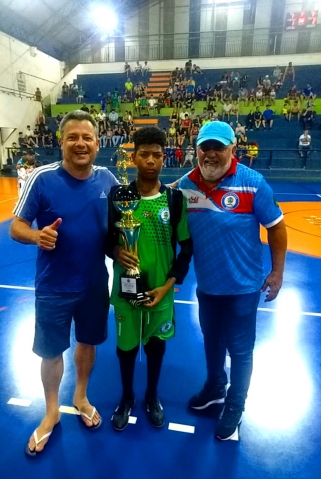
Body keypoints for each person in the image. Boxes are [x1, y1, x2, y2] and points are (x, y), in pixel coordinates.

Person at [10, 110, 119, 457]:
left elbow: (121, 228)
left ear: (98, 144)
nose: (80, 144)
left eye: (87, 137)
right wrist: (36, 236)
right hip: (54, 286)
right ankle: (52, 410)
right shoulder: (42, 179)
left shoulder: (108, 181)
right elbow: (16, 227)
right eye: (72, 137)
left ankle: (81, 396)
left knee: (88, 345)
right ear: (61, 142)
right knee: (51, 351)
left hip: (93, 285)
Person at [175, 121, 287, 440]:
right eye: (205, 147)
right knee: (211, 339)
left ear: (232, 150)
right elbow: (160, 212)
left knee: (239, 349)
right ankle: (215, 387)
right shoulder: (185, 186)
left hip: (243, 288)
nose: (211, 154)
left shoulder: (253, 183)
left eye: (218, 147)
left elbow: (277, 227)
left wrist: (277, 272)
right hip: (208, 287)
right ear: (196, 150)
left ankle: (236, 403)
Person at [105, 127, 193, 431]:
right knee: (126, 347)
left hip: (161, 292)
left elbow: (186, 249)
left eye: (157, 154)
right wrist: (116, 250)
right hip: (125, 291)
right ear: (133, 157)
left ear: (164, 157)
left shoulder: (175, 199)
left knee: (156, 346)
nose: (151, 160)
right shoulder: (118, 196)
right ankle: (127, 397)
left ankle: (152, 396)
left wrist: (168, 285)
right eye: (145, 154)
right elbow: (107, 240)